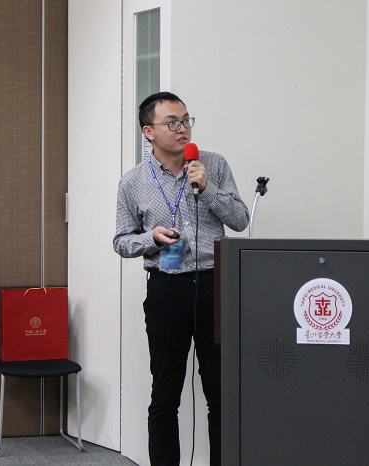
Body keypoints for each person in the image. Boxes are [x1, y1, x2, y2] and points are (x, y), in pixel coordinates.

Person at [113, 92, 249, 465]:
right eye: (172, 122)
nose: (183, 128)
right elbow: (121, 241)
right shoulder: (132, 183)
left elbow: (240, 220)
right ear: (149, 132)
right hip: (167, 289)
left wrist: (208, 189)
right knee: (165, 395)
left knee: (221, 394)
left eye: (186, 120)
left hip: (215, 286)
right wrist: (151, 239)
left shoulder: (213, 165)